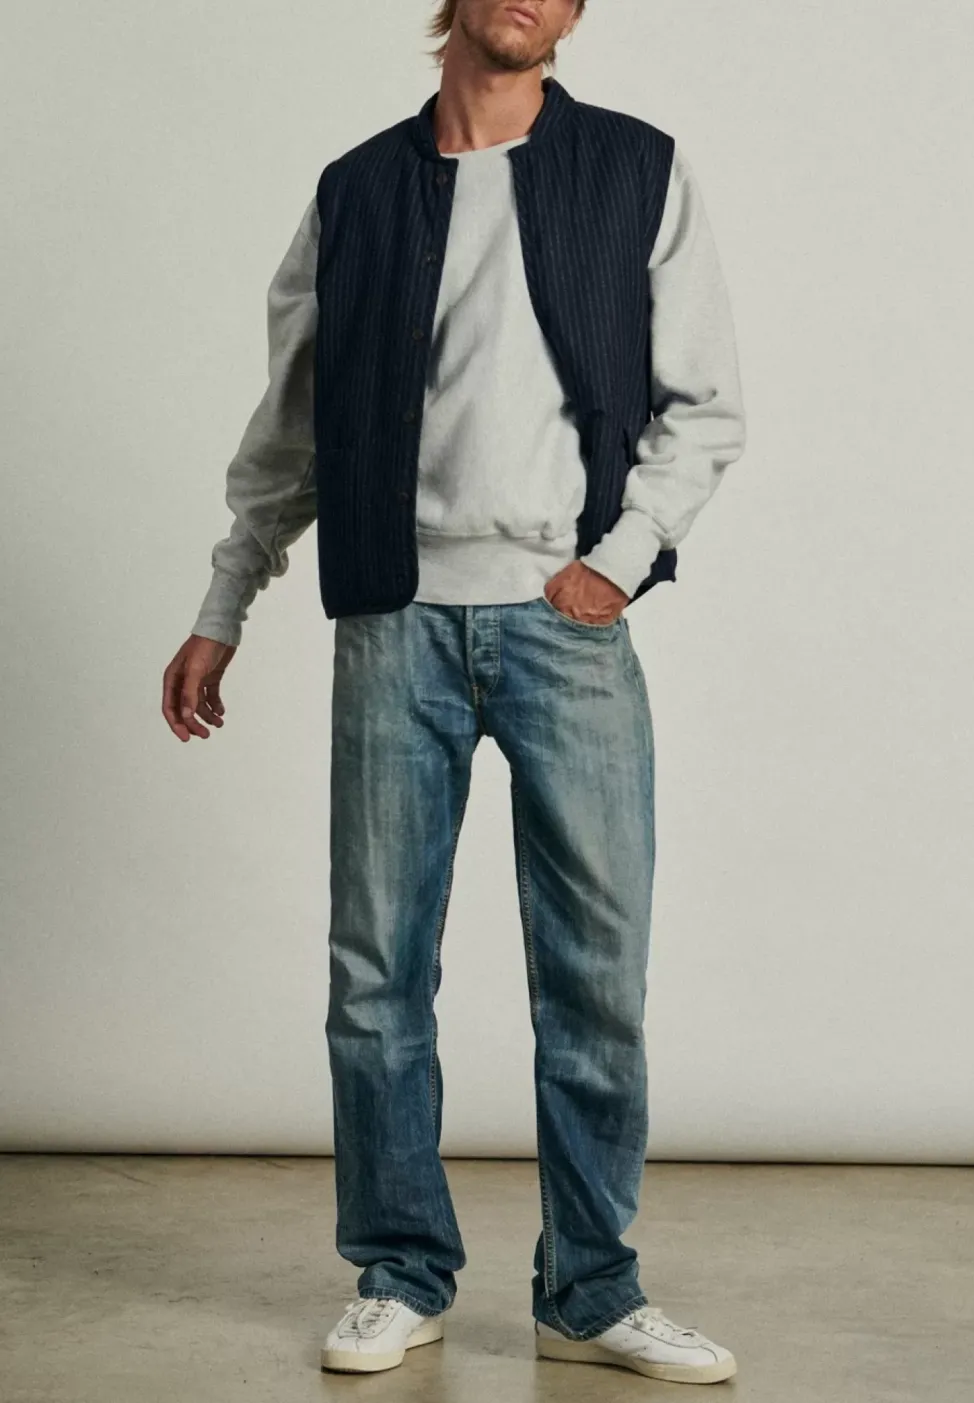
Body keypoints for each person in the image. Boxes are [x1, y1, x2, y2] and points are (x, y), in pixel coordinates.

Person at [162, 0, 746, 1385]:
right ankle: (398, 1273)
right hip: (394, 621)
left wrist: (616, 564)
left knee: (596, 977)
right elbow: (291, 428)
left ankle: (590, 1291)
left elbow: (705, 405)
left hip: (566, 630)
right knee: (375, 976)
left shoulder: (638, 169)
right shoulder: (356, 192)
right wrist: (223, 604)